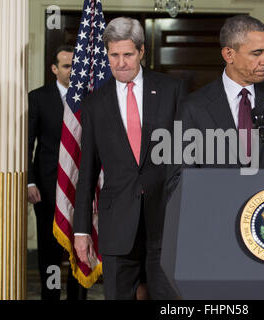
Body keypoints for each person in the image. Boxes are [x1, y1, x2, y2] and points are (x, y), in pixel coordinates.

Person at [73, 17, 186, 300]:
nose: (121, 62)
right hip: (117, 224)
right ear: (107, 54)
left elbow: (186, 158)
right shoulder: (93, 104)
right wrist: (81, 231)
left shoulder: (172, 90)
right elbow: (86, 173)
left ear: (141, 52)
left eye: (127, 54)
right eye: (114, 55)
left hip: (165, 220)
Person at [167, 15, 264, 195]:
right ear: (229, 54)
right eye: (257, 53)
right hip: (217, 215)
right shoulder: (194, 107)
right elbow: (180, 179)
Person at [28, 45, 87, 300]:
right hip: (47, 189)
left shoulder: (91, 97)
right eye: (66, 66)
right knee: (50, 252)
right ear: (54, 69)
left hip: (82, 188)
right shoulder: (38, 98)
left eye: (75, 64)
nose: (73, 70)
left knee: (80, 249)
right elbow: (26, 144)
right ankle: (50, 297)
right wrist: (29, 181)